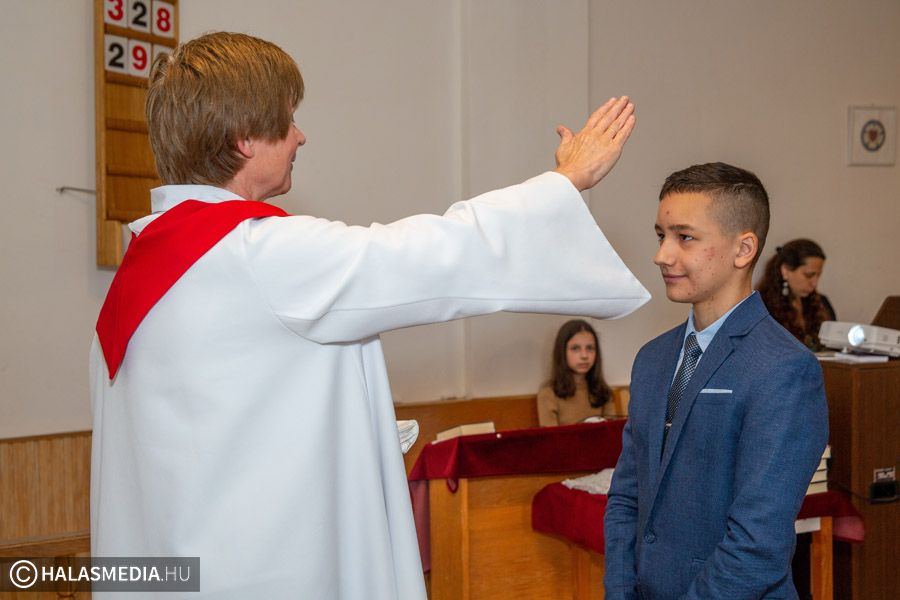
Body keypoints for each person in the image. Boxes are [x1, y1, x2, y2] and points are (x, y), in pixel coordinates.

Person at [90, 32, 651, 599]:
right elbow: (432, 254)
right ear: (243, 138)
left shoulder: (143, 273)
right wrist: (564, 183)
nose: (301, 136)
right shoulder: (257, 255)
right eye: (287, 120)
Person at [603, 163, 829, 599]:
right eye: (661, 236)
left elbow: (757, 544)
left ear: (743, 249)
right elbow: (627, 498)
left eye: (684, 238)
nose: (662, 255)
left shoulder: (784, 367)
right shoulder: (652, 359)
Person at [757, 239, 836, 351]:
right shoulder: (763, 307)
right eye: (809, 275)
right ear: (785, 270)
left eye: (818, 276)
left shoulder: (822, 304)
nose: (814, 283)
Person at [537, 319, 615, 426]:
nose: (584, 355)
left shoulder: (603, 391)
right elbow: (550, 435)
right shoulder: (548, 394)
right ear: (562, 352)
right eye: (575, 348)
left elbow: (611, 431)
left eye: (590, 348)